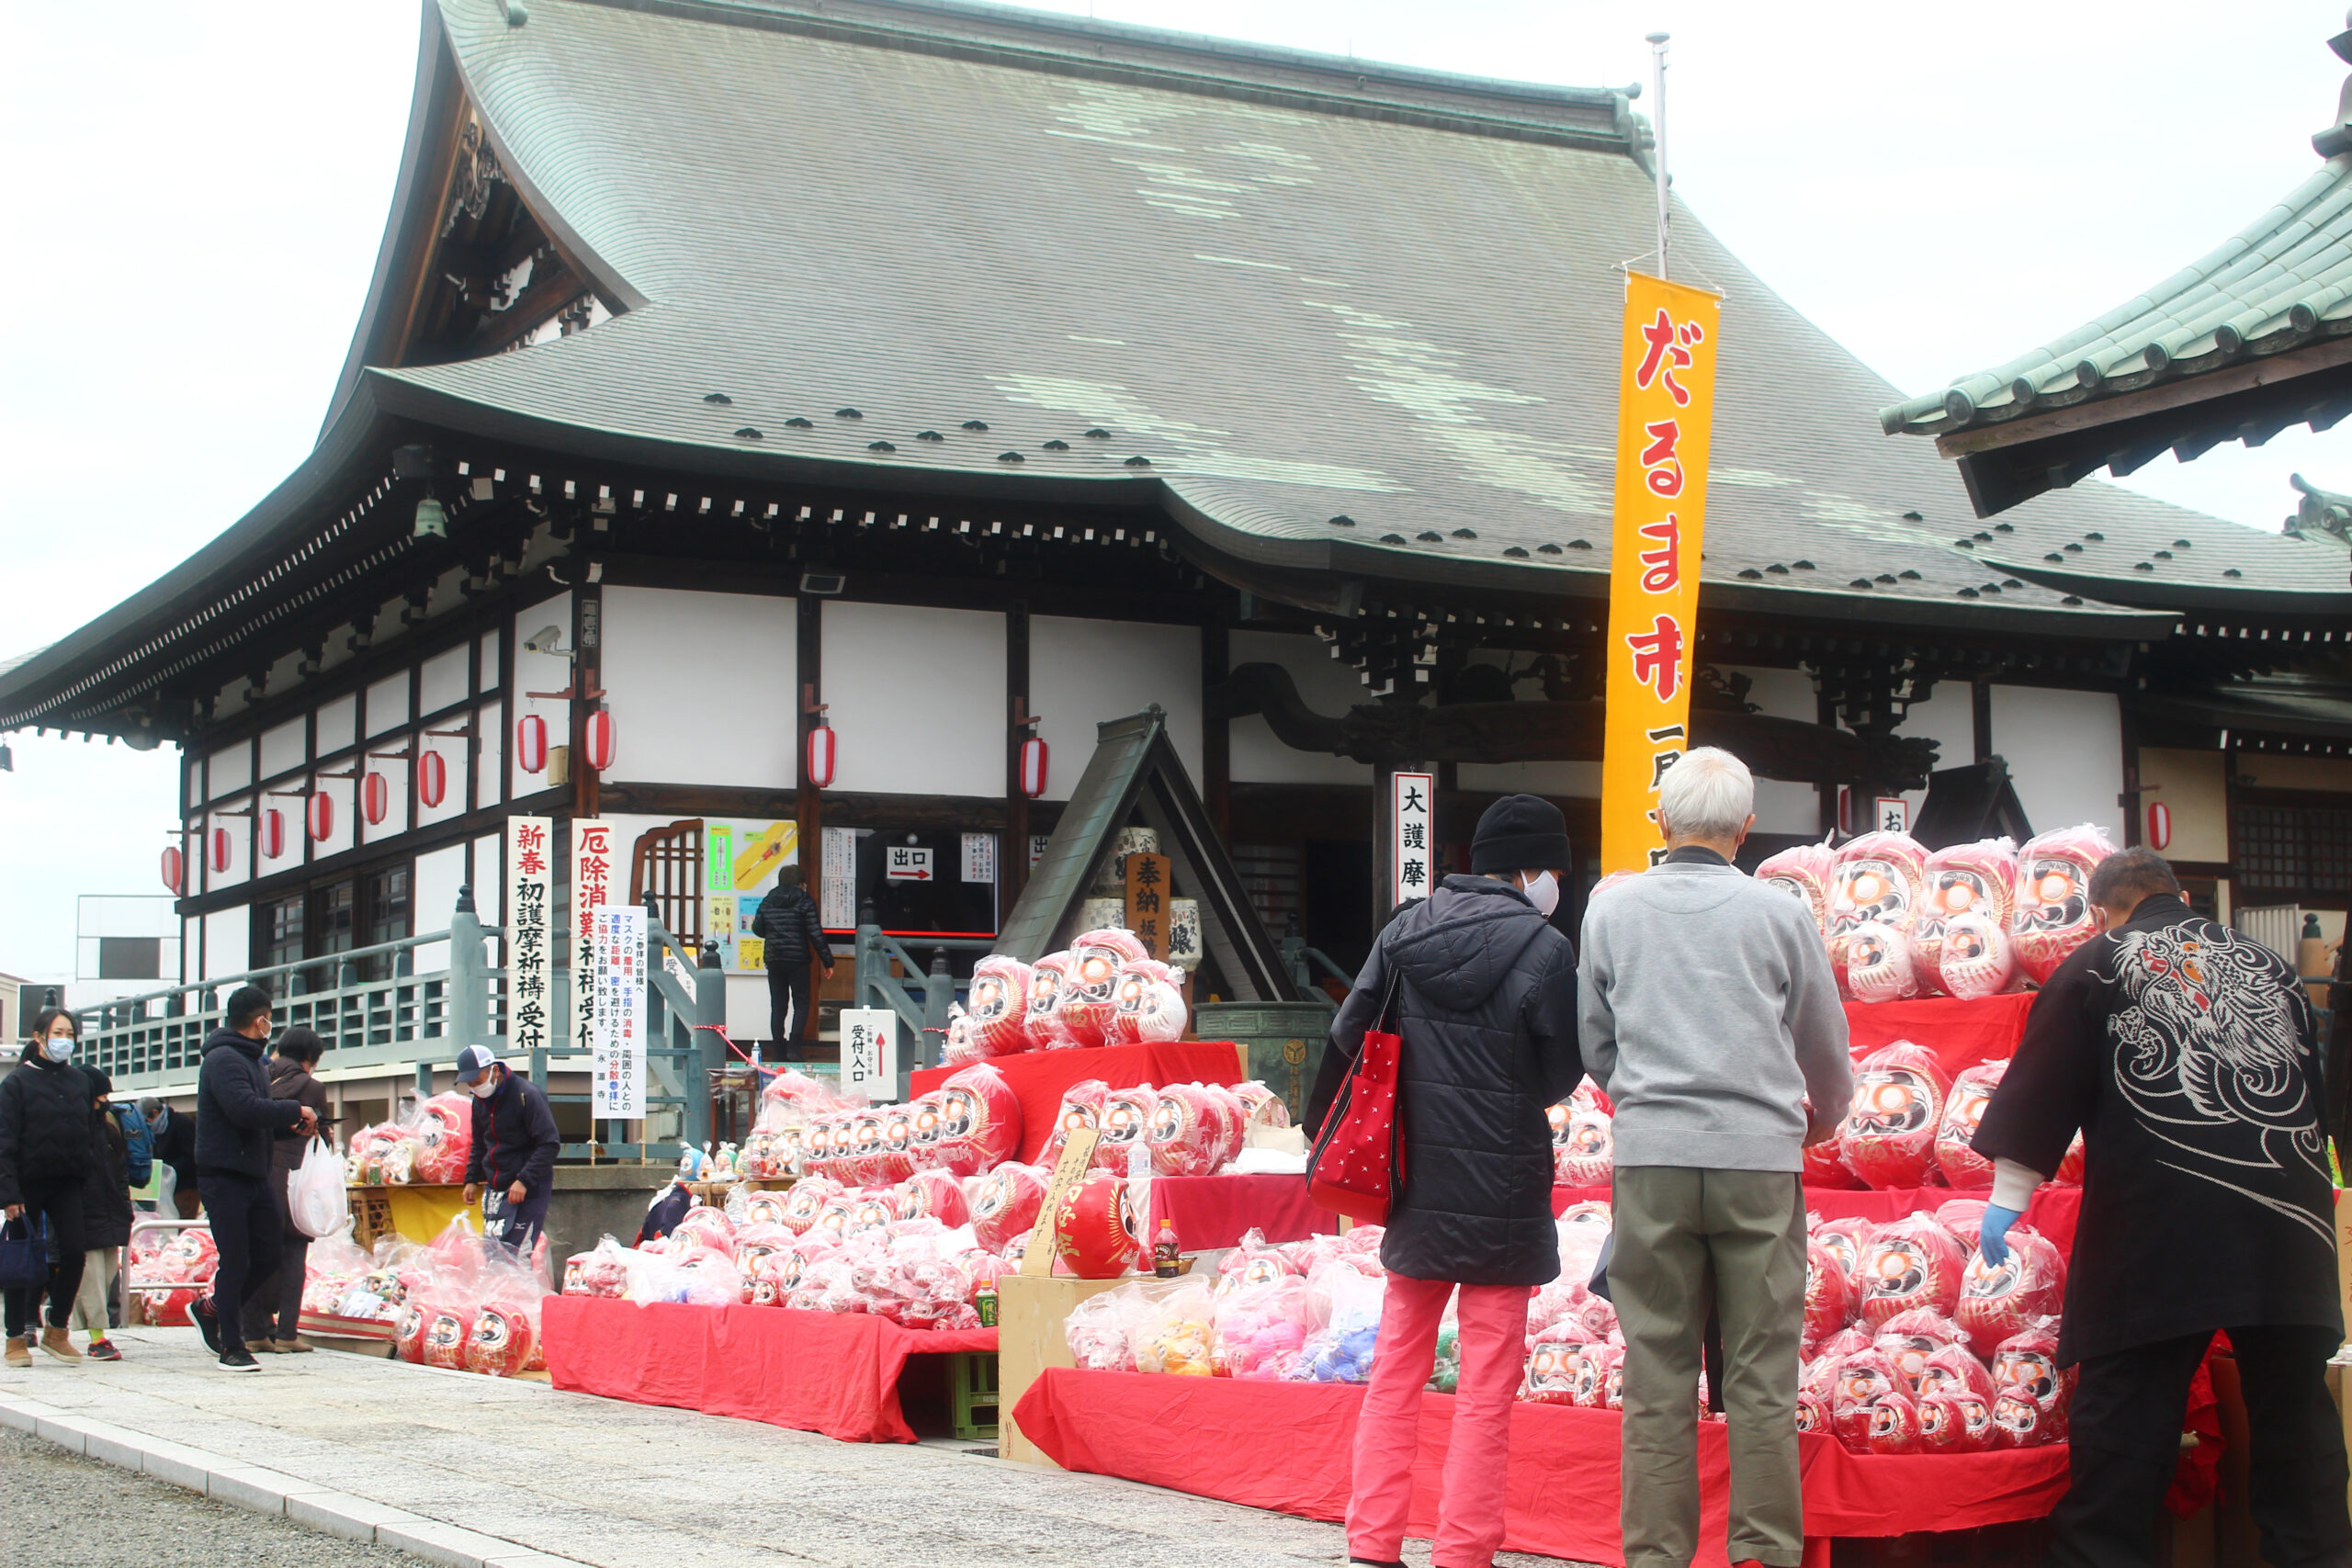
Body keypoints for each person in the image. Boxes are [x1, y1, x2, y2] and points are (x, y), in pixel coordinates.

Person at [1973, 849, 2349, 1568]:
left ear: (2103, 910)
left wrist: (2008, 1196)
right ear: (2179, 894)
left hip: (2162, 1223)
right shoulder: (2270, 966)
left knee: (2126, 1421)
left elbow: (2045, 1082)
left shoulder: (2097, 963)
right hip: (2287, 1218)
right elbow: (2313, 1094)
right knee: (2296, 1419)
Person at [1577, 748, 1852, 1568]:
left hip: (1653, 1157)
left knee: (1656, 1370)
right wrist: (1815, 1125)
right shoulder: (1779, 913)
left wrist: (1642, 1102)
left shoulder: (1610, 911)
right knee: (1761, 1373)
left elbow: (1597, 1042)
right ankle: (1763, 1554)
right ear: (1747, 827)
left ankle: (1656, 1557)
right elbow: (1825, 1051)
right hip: (1760, 1160)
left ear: (1661, 821)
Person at [1305, 793, 1582, 1568]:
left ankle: (1372, 1540)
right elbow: (1560, 1070)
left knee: (1397, 1365)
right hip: (1505, 1186)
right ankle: (1463, 1550)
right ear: (1530, 868)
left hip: (1413, 1173)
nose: (1555, 880)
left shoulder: (1404, 928)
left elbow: (1347, 1032)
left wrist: (1316, 1126)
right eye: (1553, 867)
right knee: (1487, 1384)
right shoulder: (1546, 947)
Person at [190, 986, 315, 1371]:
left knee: (267, 1255)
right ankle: (232, 1345)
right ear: (259, 1020)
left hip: (255, 1174)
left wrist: (289, 1128)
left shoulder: (256, 1062)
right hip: (224, 1176)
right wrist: (295, 1108)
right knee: (237, 1259)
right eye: (269, 1017)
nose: (270, 1025)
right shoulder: (223, 1059)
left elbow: (256, 1122)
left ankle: (211, 1308)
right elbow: (242, 1110)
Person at [0, 1007, 94, 1366]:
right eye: (58, 1033)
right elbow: (4, 1141)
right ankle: (15, 1338)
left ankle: (57, 1329)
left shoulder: (79, 1081)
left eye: (70, 1034)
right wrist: (8, 1193)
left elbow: (87, 1130)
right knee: (22, 1261)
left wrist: (84, 1170)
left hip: (67, 1180)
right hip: (26, 1184)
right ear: (39, 1037)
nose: (65, 1041)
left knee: (74, 1253)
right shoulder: (16, 1084)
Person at [255, 1027, 331, 1354]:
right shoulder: (311, 1087)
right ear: (310, 1058)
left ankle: (254, 1331)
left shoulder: (258, 1078)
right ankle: (286, 1332)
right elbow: (322, 1136)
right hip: (294, 1178)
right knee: (295, 1250)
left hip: (258, 1175)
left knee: (256, 1252)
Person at [457, 1045, 561, 1256]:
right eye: (470, 1084)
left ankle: (523, 1288)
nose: (475, 1087)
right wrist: (470, 1179)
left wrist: (523, 1181)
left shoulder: (527, 1095)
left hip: (528, 1187)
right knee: (494, 1253)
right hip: (495, 1188)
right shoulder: (479, 1101)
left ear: (494, 1071)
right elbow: (479, 1143)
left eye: (478, 1081)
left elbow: (549, 1144)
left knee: (518, 1251)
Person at [70, 1067, 133, 1361]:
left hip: (110, 1215)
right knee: (91, 1280)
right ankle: (98, 1338)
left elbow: (121, 1175)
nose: (105, 1101)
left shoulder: (108, 1130)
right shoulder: (73, 1131)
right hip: (84, 1217)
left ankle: (71, 1329)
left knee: (106, 1278)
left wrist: (125, 1209)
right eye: (101, 1095)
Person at [751, 865, 833, 1057]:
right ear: (800, 882)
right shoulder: (804, 900)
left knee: (778, 1005)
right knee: (802, 1004)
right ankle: (794, 1049)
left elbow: (757, 928)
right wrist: (827, 961)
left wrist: (773, 933)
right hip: (798, 960)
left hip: (774, 959)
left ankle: (779, 1050)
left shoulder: (769, 900)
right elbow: (815, 933)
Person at [141, 1094, 200, 1219]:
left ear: (155, 1113)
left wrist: (167, 1170)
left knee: (182, 1223)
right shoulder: (155, 1131)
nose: (147, 1124)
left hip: (185, 1186)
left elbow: (191, 1155)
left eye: (147, 1120)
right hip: (165, 1188)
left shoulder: (181, 1123)